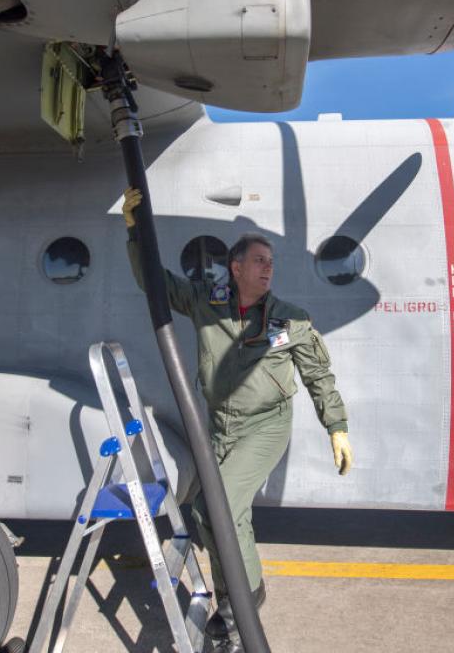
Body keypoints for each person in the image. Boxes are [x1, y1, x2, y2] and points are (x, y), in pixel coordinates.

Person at [122, 188, 353, 652]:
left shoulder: (290, 319)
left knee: (222, 504)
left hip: (266, 425)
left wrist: (337, 427)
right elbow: (156, 283)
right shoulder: (208, 302)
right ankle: (237, 593)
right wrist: (135, 232)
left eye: (271, 262)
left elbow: (317, 374)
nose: (269, 268)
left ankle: (239, 603)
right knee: (210, 513)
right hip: (221, 425)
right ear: (237, 267)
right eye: (260, 260)